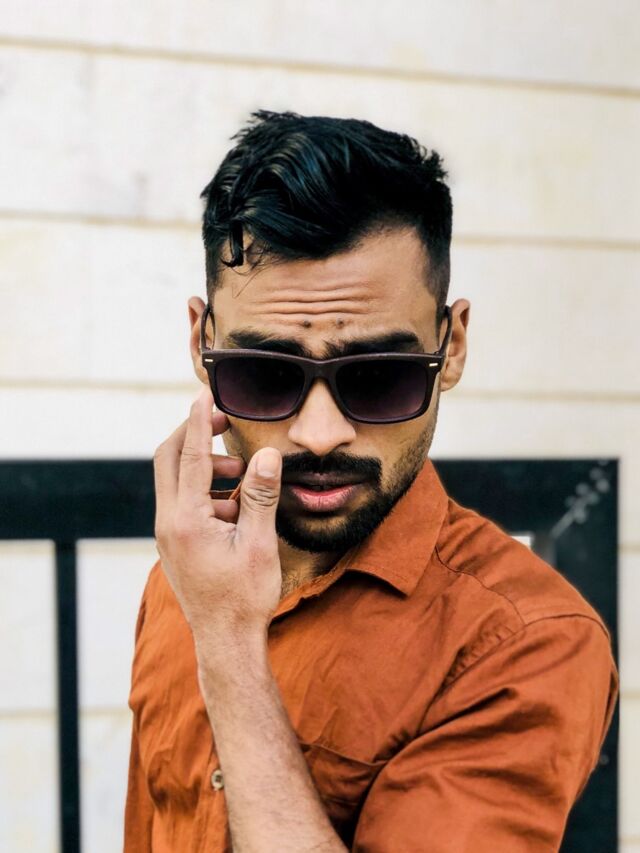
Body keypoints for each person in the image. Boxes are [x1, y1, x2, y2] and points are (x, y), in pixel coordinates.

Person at [124, 110, 618, 852]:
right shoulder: (189, 568)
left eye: (380, 378)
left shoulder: (527, 644)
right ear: (203, 345)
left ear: (452, 347)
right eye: (265, 375)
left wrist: (226, 642)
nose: (320, 433)